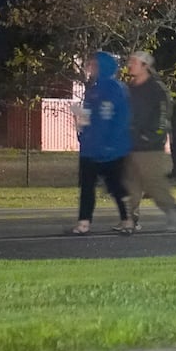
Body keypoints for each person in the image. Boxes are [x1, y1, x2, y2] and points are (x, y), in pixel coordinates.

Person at [123, 51, 176, 232]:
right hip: (130, 144)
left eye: (134, 62)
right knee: (129, 184)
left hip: (149, 147)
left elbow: (163, 117)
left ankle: (172, 211)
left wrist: (151, 136)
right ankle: (129, 219)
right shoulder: (130, 88)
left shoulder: (157, 89)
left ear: (145, 66)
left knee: (153, 183)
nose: (129, 64)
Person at [72, 51, 130, 234]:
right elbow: (88, 117)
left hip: (111, 149)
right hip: (90, 148)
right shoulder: (92, 91)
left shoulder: (117, 89)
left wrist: (114, 141)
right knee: (87, 187)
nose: (90, 68)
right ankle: (84, 222)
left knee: (116, 187)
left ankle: (127, 219)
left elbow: (122, 118)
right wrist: (80, 123)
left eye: (94, 65)